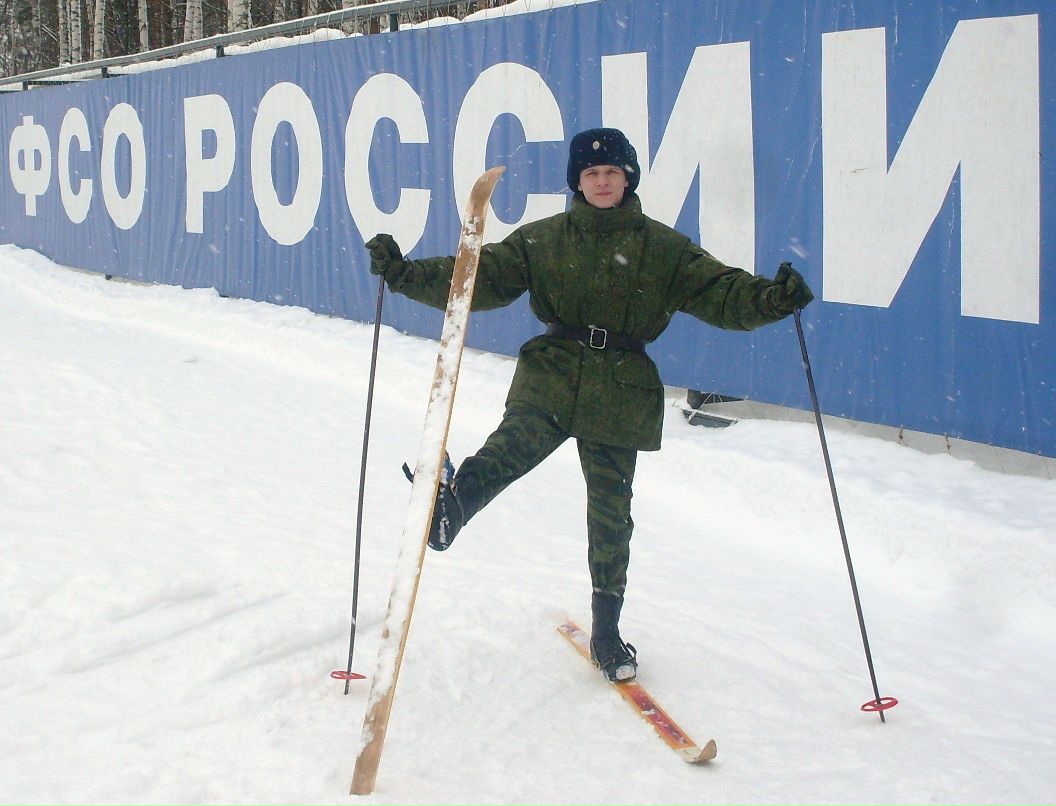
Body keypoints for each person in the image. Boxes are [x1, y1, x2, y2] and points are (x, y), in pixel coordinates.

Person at [365, 128, 813, 683]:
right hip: (554, 367)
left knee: (610, 515)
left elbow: (722, 294)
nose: (602, 182)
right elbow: (477, 276)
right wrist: (406, 274)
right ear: (577, 182)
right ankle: (453, 510)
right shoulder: (545, 239)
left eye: (613, 173)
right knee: (513, 445)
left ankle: (607, 632)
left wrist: (772, 299)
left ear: (629, 179)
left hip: (621, 386)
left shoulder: (662, 247)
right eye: (591, 174)